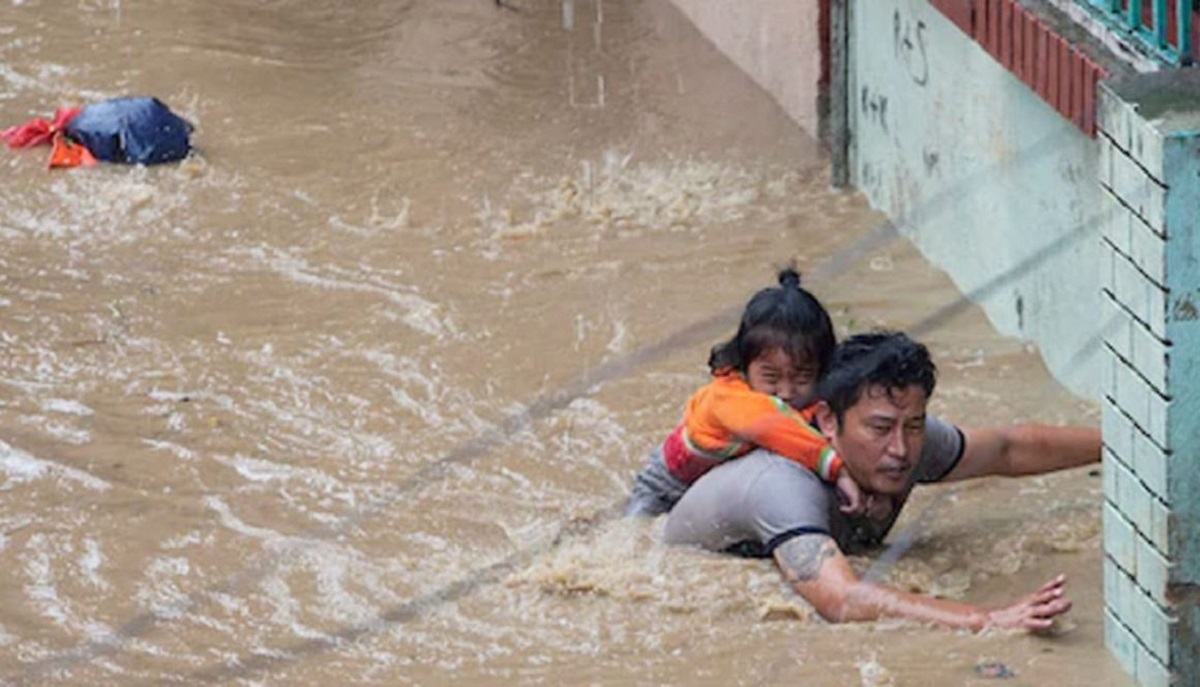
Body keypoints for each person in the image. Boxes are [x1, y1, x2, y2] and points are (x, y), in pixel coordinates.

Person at [663, 330, 1101, 631]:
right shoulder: (782, 485)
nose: (901, 449)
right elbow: (842, 601)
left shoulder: (906, 440)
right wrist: (987, 619)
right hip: (676, 569)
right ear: (828, 422)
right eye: (880, 428)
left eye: (914, 425)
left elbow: (1008, 449)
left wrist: (1126, 445)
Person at [624, 268, 866, 518]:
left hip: (721, 488)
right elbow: (772, 425)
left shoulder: (817, 403)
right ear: (743, 364)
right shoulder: (727, 398)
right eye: (771, 377)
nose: (785, 391)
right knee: (632, 536)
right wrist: (839, 470)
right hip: (666, 490)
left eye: (802, 377)